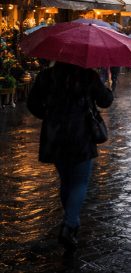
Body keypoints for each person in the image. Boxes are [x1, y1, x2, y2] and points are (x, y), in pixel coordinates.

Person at [27, 62, 114, 251]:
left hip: (55, 134)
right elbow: (105, 100)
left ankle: (70, 219)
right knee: (80, 182)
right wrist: (107, 88)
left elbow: (32, 103)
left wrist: (50, 115)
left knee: (66, 181)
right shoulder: (87, 75)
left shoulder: (46, 76)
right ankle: (70, 224)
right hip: (81, 134)